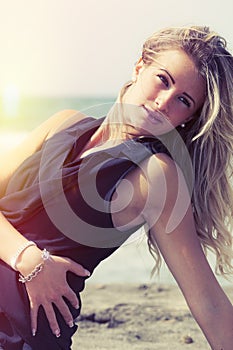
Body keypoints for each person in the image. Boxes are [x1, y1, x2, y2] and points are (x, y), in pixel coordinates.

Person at [0, 25, 233, 350]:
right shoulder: (63, 123)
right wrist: (27, 259)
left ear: (187, 119)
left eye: (183, 100)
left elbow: (208, 301)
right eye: (163, 80)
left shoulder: (156, 175)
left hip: (19, 333)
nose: (163, 102)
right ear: (140, 66)